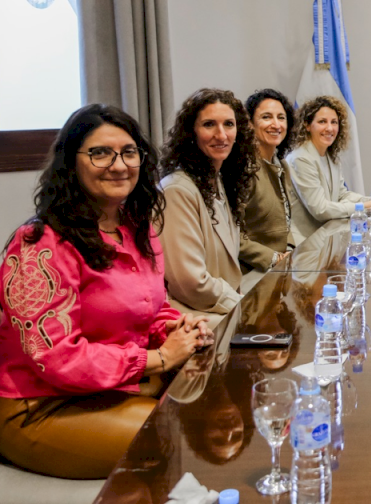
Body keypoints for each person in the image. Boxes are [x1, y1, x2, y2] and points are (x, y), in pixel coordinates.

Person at [0, 104, 210, 479]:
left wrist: (179, 326)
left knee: (206, 404)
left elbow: (151, 307)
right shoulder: (39, 245)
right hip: (39, 405)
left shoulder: (135, 227)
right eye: (100, 153)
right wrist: (158, 358)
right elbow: (56, 356)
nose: (119, 165)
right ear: (71, 162)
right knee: (169, 433)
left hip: (108, 389)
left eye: (129, 152)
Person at [159, 88, 258, 328]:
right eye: (209, 125)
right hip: (195, 318)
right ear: (191, 132)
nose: (221, 134)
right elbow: (189, 282)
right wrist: (241, 305)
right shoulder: (177, 190)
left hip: (220, 307)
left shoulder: (219, 180)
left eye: (229, 124)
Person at [286, 95, 371, 244]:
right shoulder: (301, 158)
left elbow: (341, 195)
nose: (330, 128)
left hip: (325, 239)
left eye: (334, 122)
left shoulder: (330, 157)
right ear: (307, 125)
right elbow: (320, 210)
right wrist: (365, 206)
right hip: (304, 244)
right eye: (322, 121)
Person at [240, 88, 300, 274]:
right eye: (267, 117)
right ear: (249, 124)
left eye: (281, 118)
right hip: (251, 273)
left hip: (280, 268)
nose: (276, 124)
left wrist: (289, 250)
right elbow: (233, 236)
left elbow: (285, 220)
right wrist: (274, 258)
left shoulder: (282, 165)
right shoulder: (243, 169)